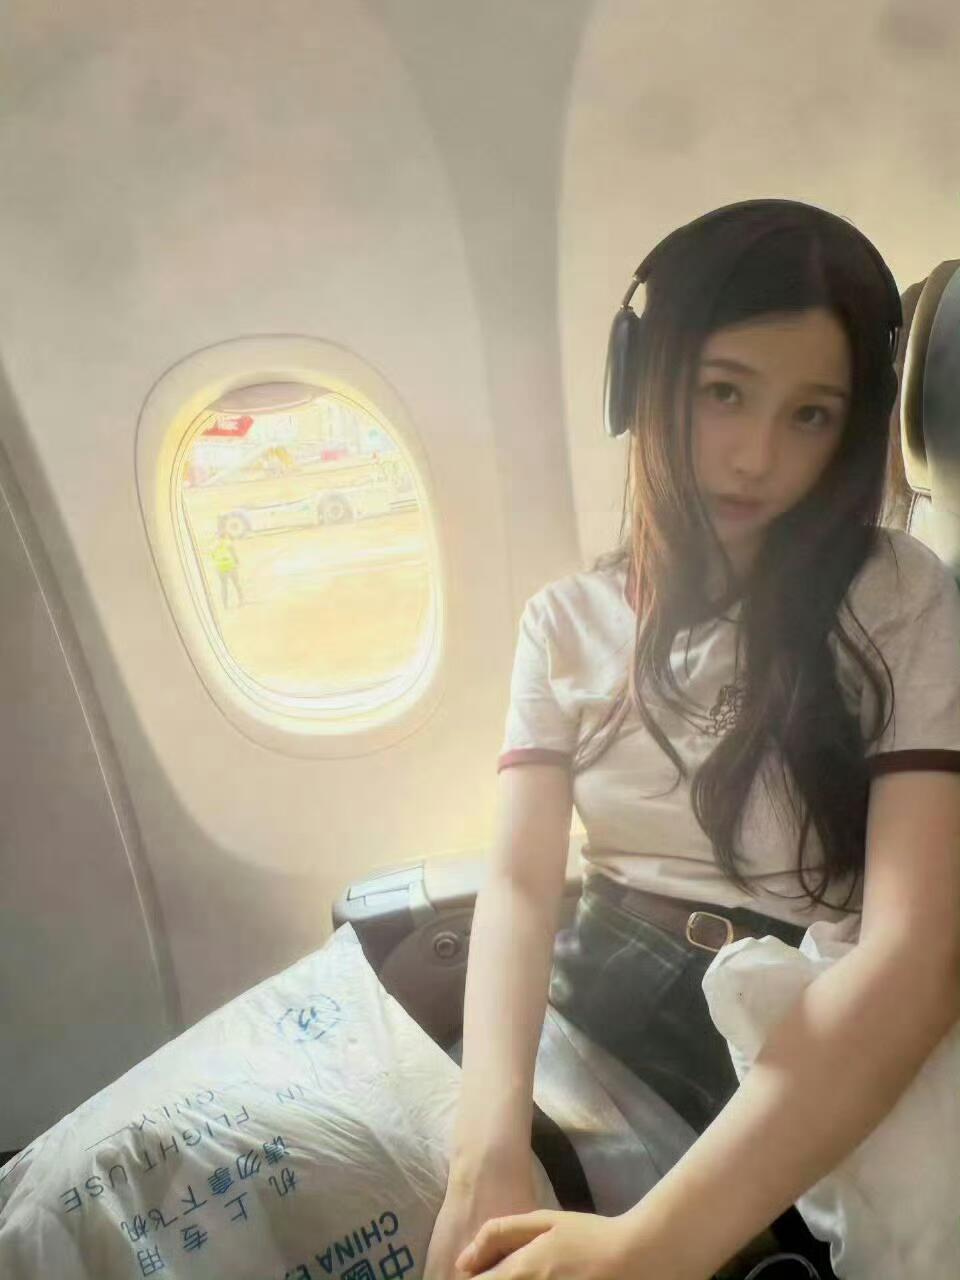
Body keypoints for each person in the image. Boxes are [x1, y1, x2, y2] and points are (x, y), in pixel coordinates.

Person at [424, 200, 960, 1280]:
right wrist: (483, 1154)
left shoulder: (899, 595)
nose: (758, 455)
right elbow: (521, 885)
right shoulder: (563, 621)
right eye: (724, 393)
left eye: (811, 415)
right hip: (596, 992)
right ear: (645, 381)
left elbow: (917, 954)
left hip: (794, 1017)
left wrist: (647, 1249)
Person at [211, 529, 244, 607]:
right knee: (236, 584)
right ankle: (241, 600)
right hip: (231, 566)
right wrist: (237, 562)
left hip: (220, 568)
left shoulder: (214, 546)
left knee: (224, 586)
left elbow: (213, 556)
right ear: (225, 536)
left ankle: (225, 604)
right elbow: (234, 555)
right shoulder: (228, 544)